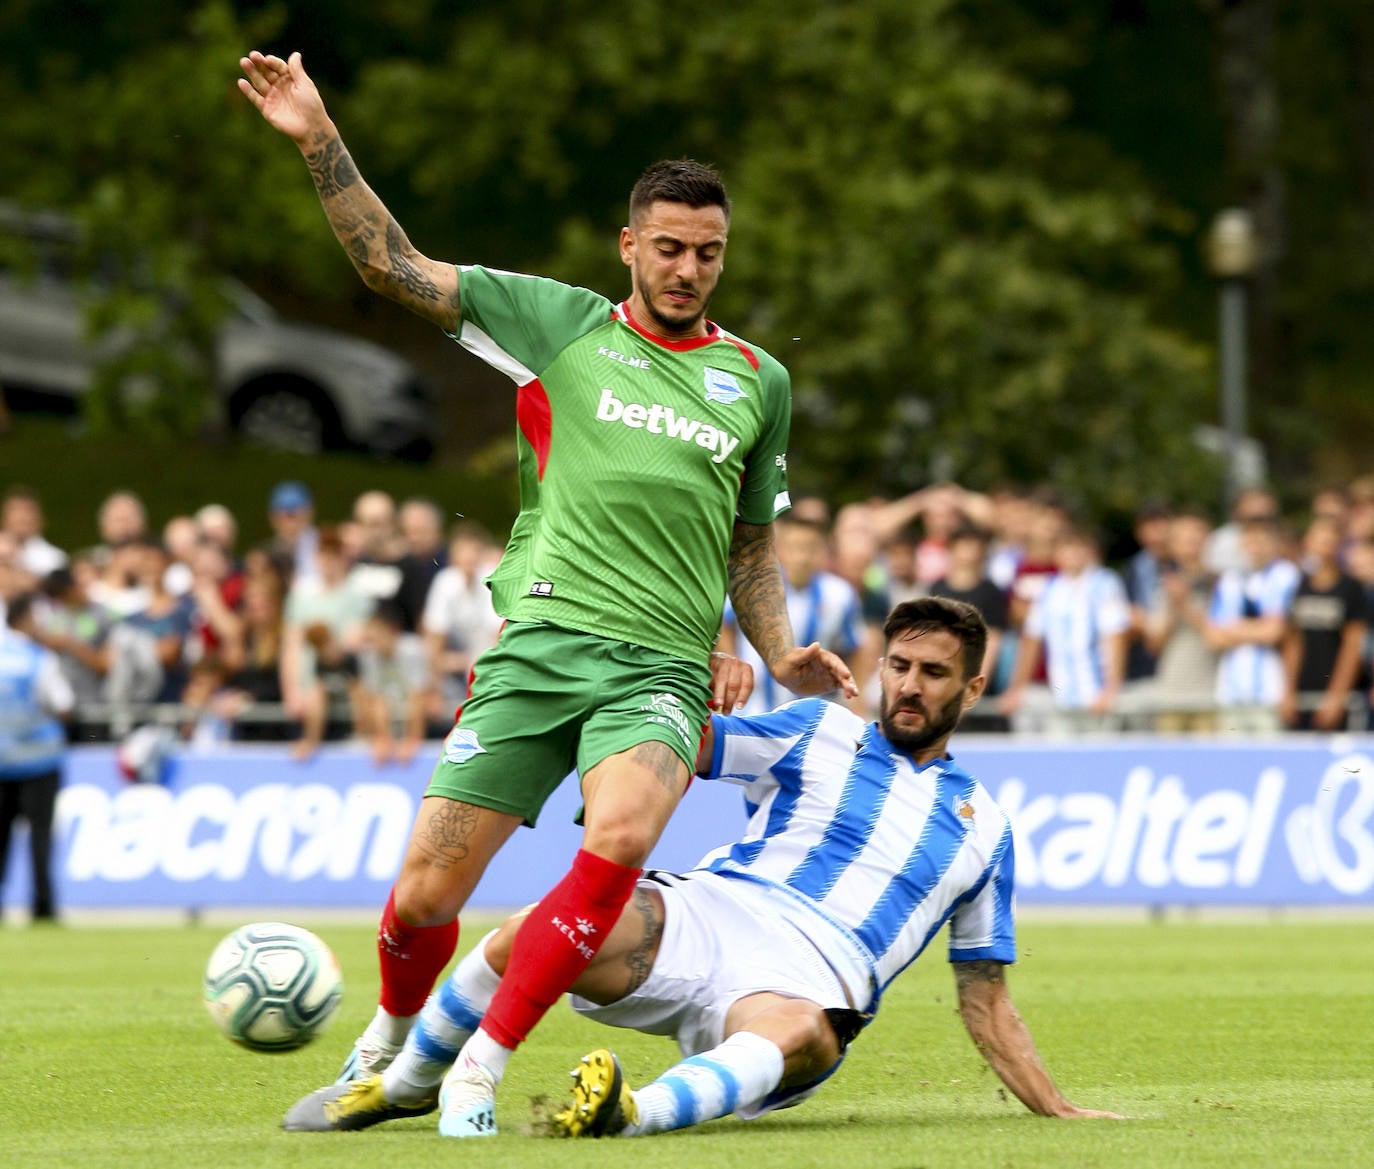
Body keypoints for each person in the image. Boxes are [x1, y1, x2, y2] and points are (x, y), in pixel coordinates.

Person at [239, 48, 855, 1137]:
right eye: (669, 248)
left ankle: (475, 1063)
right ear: (630, 245)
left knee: (619, 835)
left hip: (660, 666)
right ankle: (390, 1048)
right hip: (541, 645)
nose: (688, 269)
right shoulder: (558, 326)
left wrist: (779, 646)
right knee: (427, 893)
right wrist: (318, 138)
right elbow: (395, 267)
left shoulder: (759, 380)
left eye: (708, 253)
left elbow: (750, 544)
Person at [282, 597, 1119, 1135]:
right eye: (898, 665)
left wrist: (1056, 1107)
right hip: (713, 912)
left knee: (802, 1034)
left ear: (971, 691)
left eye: (933, 674)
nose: (908, 685)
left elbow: (985, 993)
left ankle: (629, 1111)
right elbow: (669, 737)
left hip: (806, 984)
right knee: (530, 934)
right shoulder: (816, 730)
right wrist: (696, 672)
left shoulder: (988, 828)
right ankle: (405, 1080)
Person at [718, 509, 863, 716]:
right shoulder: (757, 587)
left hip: (810, 710)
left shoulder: (840, 594)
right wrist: (732, 663)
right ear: (780, 548)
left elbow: (853, 646)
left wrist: (856, 699)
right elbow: (725, 623)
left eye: (811, 548)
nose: (803, 557)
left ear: (824, 550)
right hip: (751, 707)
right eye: (796, 547)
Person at [1000, 523, 1130, 735]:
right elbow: (1031, 640)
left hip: (1096, 694)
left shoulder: (1104, 583)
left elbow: (1115, 637)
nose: (1073, 554)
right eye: (1067, 548)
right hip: (1061, 696)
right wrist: (1016, 688)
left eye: (1079, 548)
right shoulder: (1050, 589)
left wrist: (1111, 688)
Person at [0, 593, 75, 923]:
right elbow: (63, 702)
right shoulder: (38, 657)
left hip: (2, 761)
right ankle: (42, 907)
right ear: (23, 620)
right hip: (40, 761)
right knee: (40, 837)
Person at [1205, 515, 1300, 734]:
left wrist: (1233, 628)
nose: (1255, 546)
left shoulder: (1284, 574)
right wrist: (1258, 628)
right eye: (1250, 539)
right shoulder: (1229, 579)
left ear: (1274, 543)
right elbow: (1212, 637)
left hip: (1270, 691)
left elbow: (1274, 632)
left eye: (1262, 540)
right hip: (1230, 692)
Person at [1280, 515, 1368, 731]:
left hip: (1339, 698)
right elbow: (1293, 642)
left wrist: (1336, 696)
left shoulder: (1351, 588)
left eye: (1330, 540)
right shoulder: (1299, 585)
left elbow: (1352, 645)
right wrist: (1288, 691)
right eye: (1319, 539)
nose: (1324, 546)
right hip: (1303, 694)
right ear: (1307, 542)